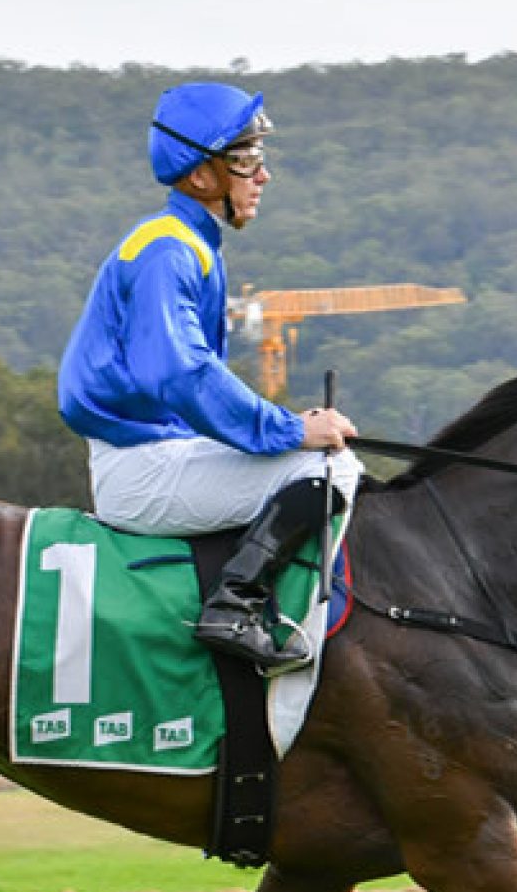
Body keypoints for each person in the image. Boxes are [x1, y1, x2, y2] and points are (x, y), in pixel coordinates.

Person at [59, 82, 361, 672]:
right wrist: (288, 431)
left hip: (159, 450)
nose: (263, 175)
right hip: (141, 467)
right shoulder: (168, 252)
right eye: (246, 159)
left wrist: (286, 426)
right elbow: (182, 376)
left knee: (330, 460)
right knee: (331, 469)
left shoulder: (190, 244)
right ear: (202, 176)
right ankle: (235, 606)